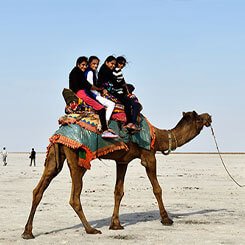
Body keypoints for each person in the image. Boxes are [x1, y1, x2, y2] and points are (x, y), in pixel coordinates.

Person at [69, 56, 118, 138]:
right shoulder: (79, 72)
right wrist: (99, 89)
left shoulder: (78, 72)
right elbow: (88, 85)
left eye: (85, 65)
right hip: (82, 93)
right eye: (83, 65)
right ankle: (105, 130)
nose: (84, 67)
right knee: (101, 109)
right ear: (78, 64)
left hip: (82, 92)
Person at [98, 56, 142, 131]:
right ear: (107, 62)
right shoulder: (111, 71)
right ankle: (131, 122)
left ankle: (131, 123)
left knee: (133, 103)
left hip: (117, 91)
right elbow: (117, 84)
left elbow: (120, 83)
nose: (121, 66)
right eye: (120, 63)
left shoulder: (108, 70)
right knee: (131, 103)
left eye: (123, 65)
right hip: (115, 92)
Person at [85, 56, 116, 130]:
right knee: (112, 104)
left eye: (97, 64)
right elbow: (90, 87)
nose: (95, 65)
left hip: (94, 93)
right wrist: (100, 92)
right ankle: (104, 125)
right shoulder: (90, 73)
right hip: (92, 95)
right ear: (89, 63)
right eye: (93, 64)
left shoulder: (94, 72)